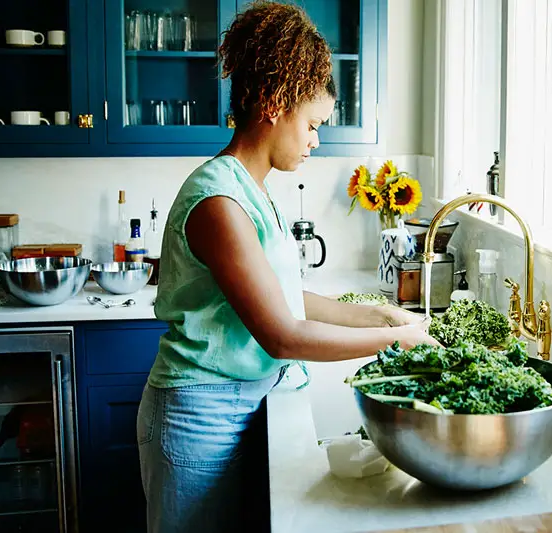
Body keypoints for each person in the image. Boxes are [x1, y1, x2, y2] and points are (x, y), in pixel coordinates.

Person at [136, 2, 439, 532]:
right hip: (198, 420)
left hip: (242, 406)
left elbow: (289, 300)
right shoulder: (218, 204)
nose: (316, 141)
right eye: (313, 124)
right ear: (276, 105)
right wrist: (398, 343)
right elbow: (282, 335)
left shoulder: (251, 191)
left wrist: (382, 315)